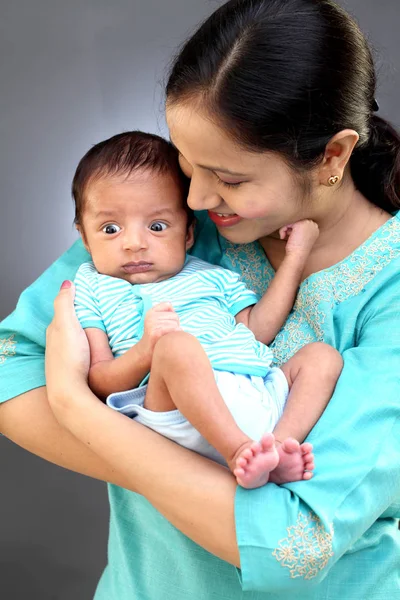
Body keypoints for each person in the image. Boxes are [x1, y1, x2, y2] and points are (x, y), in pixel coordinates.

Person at [1, 0, 399, 598]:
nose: (194, 196)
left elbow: (294, 544)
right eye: (187, 164)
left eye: (230, 178)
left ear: (333, 156)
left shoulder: (388, 288)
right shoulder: (162, 225)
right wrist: (206, 478)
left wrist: (78, 408)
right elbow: (11, 377)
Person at [71, 130, 341, 488]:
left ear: (187, 234)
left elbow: (257, 331)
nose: (134, 244)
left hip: (254, 389)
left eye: (157, 226)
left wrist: (296, 257)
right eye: (110, 228)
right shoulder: (93, 286)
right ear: (84, 237)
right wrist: (145, 352)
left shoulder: (214, 277)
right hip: (176, 410)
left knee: (322, 358)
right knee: (175, 346)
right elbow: (100, 380)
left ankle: (275, 447)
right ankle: (238, 452)